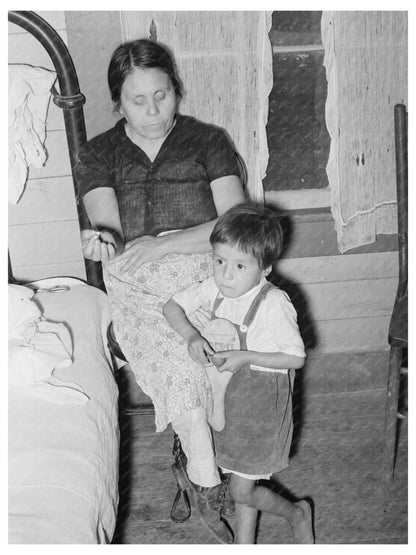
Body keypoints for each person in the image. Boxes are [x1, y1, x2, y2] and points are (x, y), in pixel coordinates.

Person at [74, 38, 246, 543]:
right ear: (117, 103)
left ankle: (197, 459)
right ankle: (206, 476)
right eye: (137, 100)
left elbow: (234, 220)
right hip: (137, 276)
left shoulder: (207, 140)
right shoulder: (98, 152)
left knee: (209, 342)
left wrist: (171, 246)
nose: (153, 111)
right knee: (183, 351)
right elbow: (114, 237)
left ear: (177, 89)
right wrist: (102, 241)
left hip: (203, 263)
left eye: (162, 95)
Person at [163, 203, 315, 544]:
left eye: (239, 265)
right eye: (219, 261)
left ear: (264, 268)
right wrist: (191, 336)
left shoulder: (275, 303)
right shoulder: (215, 289)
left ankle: (297, 513)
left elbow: (295, 358)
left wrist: (244, 356)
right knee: (240, 475)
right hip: (227, 398)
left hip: (260, 403)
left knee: (242, 490)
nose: (225, 275)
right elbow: (171, 306)